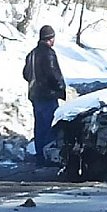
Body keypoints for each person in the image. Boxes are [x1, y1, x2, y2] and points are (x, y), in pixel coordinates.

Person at [23, 25, 66, 167]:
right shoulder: (48, 53)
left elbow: (25, 74)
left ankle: (40, 156)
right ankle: (49, 157)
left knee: (39, 127)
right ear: (50, 39)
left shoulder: (32, 54)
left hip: (35, 95)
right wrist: (60, 87)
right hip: (48, 95)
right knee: (50, 127)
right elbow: (54, 74)